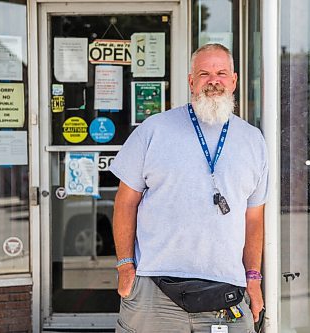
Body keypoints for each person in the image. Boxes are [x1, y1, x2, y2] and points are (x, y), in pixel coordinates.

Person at [109, 43, 269, 333]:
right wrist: (124, 266)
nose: (213, 81)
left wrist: (254, 278)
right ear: (191, 81)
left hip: (225, 290)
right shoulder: (154, 130)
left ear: (233, 80)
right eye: (204, 73)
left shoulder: (253, 140)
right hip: (154, 289)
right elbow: (124, 202)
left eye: (221, 73)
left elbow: (254, 218)